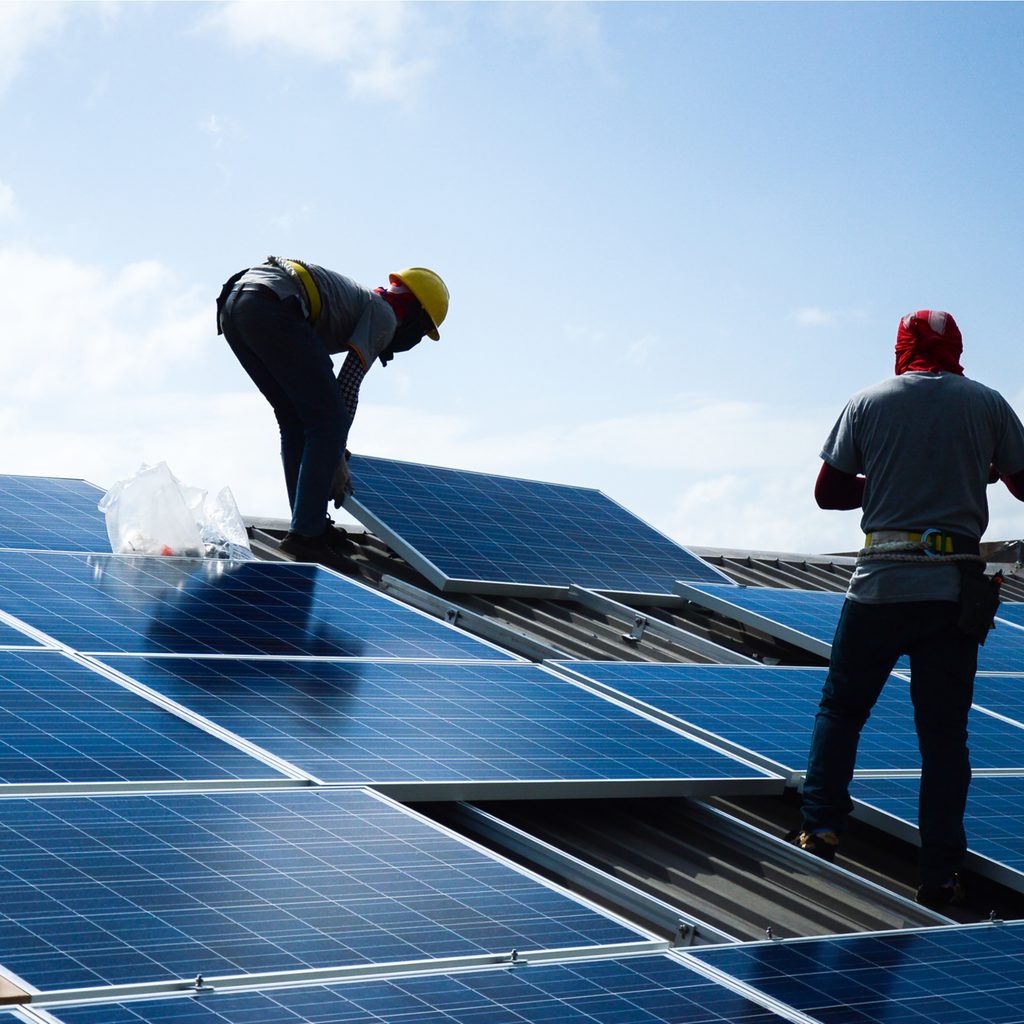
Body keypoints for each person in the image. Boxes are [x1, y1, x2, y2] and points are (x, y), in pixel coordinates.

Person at [796, 309, 1024, 909]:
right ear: (957, 348)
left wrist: (889, 481)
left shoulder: (867, 402)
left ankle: (820, 824)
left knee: (842, 710)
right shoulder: (987, 404)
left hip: (879, 585)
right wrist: (983, 468)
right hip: (952, 592)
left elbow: (829, 493)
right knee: (944, 737)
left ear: (902, 348)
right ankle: (939, 871)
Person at [217, 258, 448, 563]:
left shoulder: (360, 304)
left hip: (236, 306)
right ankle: (307, 534)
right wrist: (336, 451)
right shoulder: (385, 315)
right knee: (327, 421)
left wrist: (333, 445)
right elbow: (347, 386)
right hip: (271, 303)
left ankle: (307, 526)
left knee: (295, 419)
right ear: (416, 316)